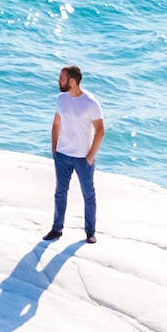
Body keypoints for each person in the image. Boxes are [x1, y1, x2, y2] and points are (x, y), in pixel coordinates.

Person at [45, 65, 106, 243]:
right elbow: (56, 123)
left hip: (82, 158)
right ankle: (56, 229)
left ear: (72, 81)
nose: (58, 81)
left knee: (88, 194)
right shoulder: (61, 99)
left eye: (62, 78)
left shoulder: (91, 103)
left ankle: (90, 232)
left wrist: (90, 156)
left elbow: (100, 131)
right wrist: (54, 149)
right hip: (62, 155)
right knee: (60, 193)